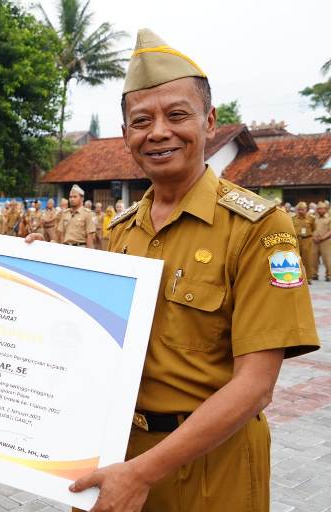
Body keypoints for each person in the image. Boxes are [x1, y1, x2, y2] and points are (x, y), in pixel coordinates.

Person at [63, 28, 319, 511]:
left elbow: (255, 387)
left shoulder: (259, 227)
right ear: (126, 135)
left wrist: (142, 473)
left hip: (211, 467)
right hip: (119, 456)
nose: (158, 132)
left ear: (210, 121)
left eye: (177, 115)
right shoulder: (121, 229)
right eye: (142, 121)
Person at [292, 202, 315, 284]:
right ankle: (296, 277)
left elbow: (314, 228)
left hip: (307, 240)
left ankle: (308, 278)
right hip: (296, 240)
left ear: (306, 209)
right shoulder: (293, 218)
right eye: (299, 209)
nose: (300, 211)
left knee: (308, 259)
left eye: (302, 209)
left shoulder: (311, 218)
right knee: (295, 259)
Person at [313, 200, 331, 281]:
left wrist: (323, 238)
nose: (319, 210)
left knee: (327, 259)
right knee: (314, 259)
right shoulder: (313, 218)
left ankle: (329, 275)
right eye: (318, 209)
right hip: (314, 241)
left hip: (325, 241)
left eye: (321, 209)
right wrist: (313, 237)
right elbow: (310, 229)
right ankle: (314, 274)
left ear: (326, 209)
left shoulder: (329, 218)